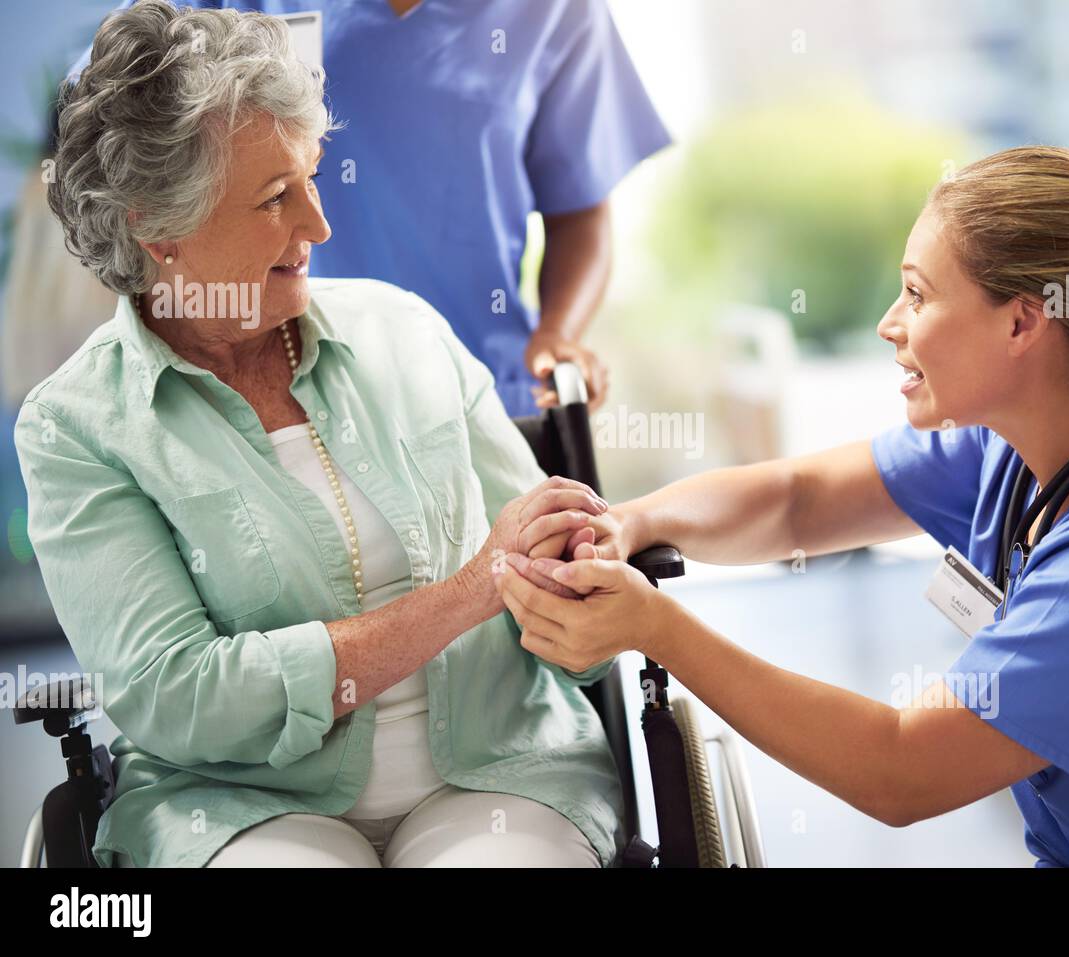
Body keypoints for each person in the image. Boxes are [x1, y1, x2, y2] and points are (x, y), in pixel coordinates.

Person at [493, 146, 1069, 867]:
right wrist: (633, 521)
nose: (889, 323)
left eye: (918, 295)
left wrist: (655, 627)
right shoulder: (1018, 447)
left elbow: (900, 770)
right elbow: (798, 503)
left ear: (1023, 320)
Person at [17, 0, 623, 868]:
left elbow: (545, 564)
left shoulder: (405, 331)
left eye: (312, 178)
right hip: (238, 805)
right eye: (274, 198)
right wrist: (466, 592)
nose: (319, 226)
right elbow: (182, 696)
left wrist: (574, 574)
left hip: (500, 773)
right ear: (157, 226)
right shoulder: (79, 427)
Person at [67, 0, 673, 417]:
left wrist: (557, 335)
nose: (318, 225)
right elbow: (113, 131)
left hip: (486, 383)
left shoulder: (552, 13)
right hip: (280, 387)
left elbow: (581, 209)